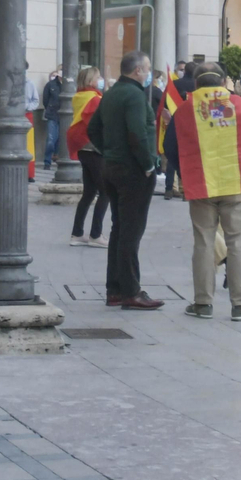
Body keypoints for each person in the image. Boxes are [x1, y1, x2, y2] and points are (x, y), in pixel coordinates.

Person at [175, 63, 241, 321]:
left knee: (203, 242)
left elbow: (171, 146)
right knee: (237, 242)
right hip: (234, 182)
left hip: (200, 183)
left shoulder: (184, 109)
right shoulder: (240, 106)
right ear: (224, 81)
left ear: (196, 84)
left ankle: (202, 303)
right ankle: (240, 304)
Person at [88, 51, 162, 310]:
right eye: (148, 68)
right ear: (138, 71)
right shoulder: (134, 95)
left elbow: (92, 129)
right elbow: (137, 133)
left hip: (111, 167)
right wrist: (147, 164)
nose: (149, 73)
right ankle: (131, 291)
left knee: (119, 229)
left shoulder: (111, 93)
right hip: (133, 172)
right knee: (131, 232)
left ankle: (115, 289)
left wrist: (108, 151)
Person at [67, 67, 108, 247]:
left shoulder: (78, 97)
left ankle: (77, 233)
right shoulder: (95, 99)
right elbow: (100, 124)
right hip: (94, 149)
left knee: (89, 192)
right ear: (92, 81)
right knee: (106, 192)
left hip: (82, 148)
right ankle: (95, 235)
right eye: (99, 77)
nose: (101, 80)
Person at [160, 63, 196, 201]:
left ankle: (169, 188)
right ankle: (186, 190)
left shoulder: (174, 84)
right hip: (192, 124)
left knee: (172, 156)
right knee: (188, 157)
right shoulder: (197, 86)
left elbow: (164, 104)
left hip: (175, 122)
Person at [42, 67, 64, 169]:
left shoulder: (69, 85)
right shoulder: (50, 84)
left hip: (64, 116)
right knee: (51, 139)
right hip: (53, 115)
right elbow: (45, 100)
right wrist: (49, 109)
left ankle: (58, 157)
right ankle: (47, 161)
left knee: (61, 139)